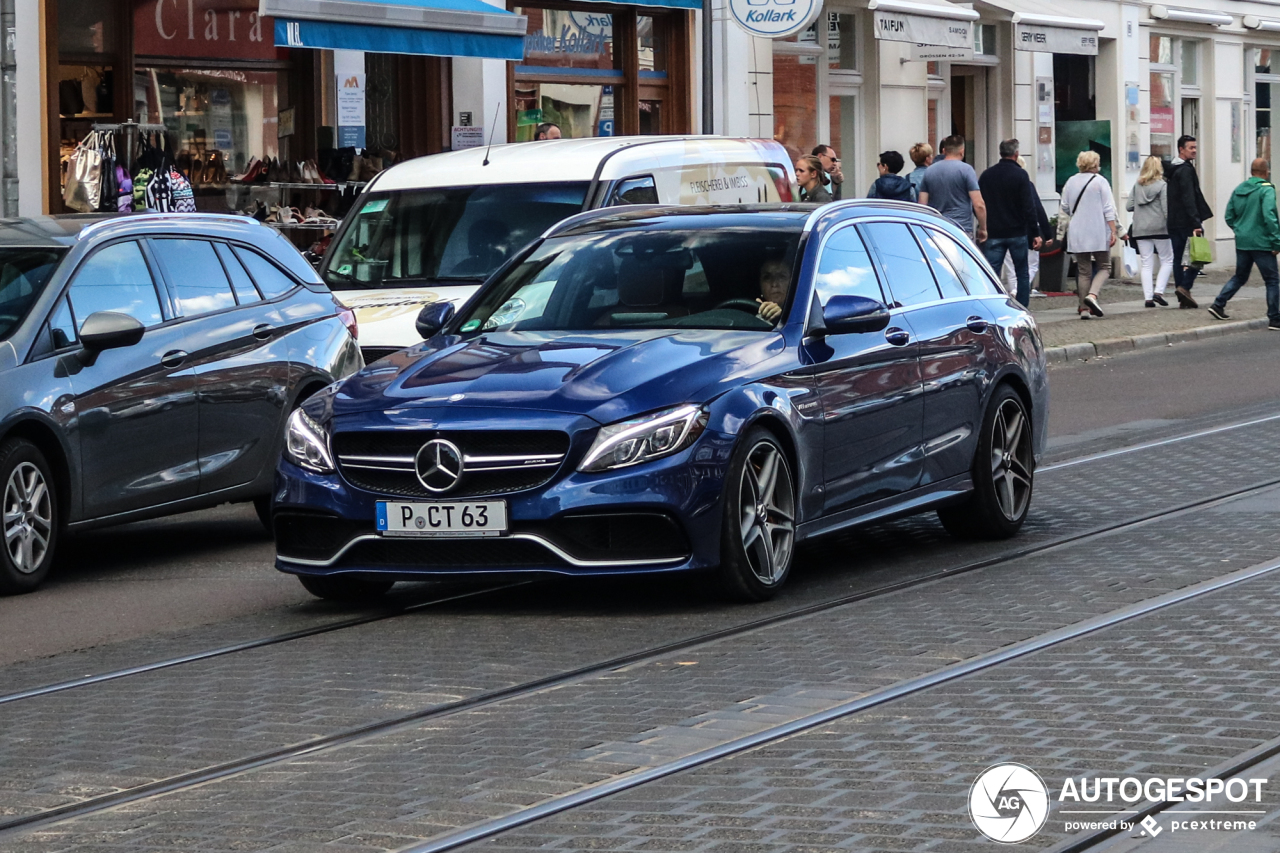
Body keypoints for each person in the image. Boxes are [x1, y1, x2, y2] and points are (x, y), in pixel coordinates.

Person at [1206, 158, 1280, 329]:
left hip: (1242, 241)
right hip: (1262, 242)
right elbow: (1269, 216)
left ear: (1251, 171)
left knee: (1240, 276)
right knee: (1272, 280)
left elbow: (1229, 216)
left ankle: (1218, 304)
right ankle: (1275, 318)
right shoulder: (1266, 190)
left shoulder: (1239, 189)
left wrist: (1240, 230)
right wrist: (1276, 241)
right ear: (1266, 172)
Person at [978, 139, 1043, 306]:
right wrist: (1035, 232)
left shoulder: (987, 175)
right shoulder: (1021, 175)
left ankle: (992, 304)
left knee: (991, 272)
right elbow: (1029, 206)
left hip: (994, 231)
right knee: (1022, 272)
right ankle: (1022, 307)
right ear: (1016, 154)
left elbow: (979, 203)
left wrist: (983, 225)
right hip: (1017, 232)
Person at [1060, 150, 1118, 319]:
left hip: (1078, 230)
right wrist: (1113, 230)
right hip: (1098, 229)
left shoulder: (1071, 181)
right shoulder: (1100, 182)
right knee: (1105, 267)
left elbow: (1064, 207)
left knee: (1083, 270)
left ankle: (1084, 309)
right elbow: (1108, 208)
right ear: (1095, 164)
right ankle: (1092, 295)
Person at [1165, 134, 1213, 308]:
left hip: (1173, 221)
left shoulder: (1172, 169)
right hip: (1186, 221)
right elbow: (1189, 198)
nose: (1194, 151)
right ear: (1181, 149)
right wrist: (1195, 223)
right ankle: (1185, 287)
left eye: (1195, 147)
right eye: (1191, 148)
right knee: (1198, 257)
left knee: (1178, 258)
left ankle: (1182, 298)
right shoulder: (1185, 170)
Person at [999, 156, 1051, 299]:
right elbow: (1036, 209)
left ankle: (1013, 289)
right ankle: (1020, 289)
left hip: (1002, 228)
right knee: (1031, 264)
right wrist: (1046, 232)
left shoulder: (999, 185)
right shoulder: (1027, 185)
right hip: (1025, 229)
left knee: (1010, 266)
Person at [918, 135, 987, 241]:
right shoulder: (966, 170)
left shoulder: (929, 171)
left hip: (937, 228)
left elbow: (922, 206)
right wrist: (983, 228)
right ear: (962, 151)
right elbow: (978, 204)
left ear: (944, 150)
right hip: (961, 228)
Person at [1125, 155, 1173, 308]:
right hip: (1160, 227)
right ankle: (1158, 292)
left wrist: (1141, 207)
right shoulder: (1162, 185)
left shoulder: (1137, 185)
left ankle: (1148, 298)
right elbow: (1166, 208)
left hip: (1141, 228)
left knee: (1146, 263)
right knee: (1167, 259)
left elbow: (1128, 206)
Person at [757, 257, 791, 323]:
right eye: (767, 277)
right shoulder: (747, 314)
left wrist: (780, 318)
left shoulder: (803, 315)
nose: (774, 284)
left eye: (782, 277)